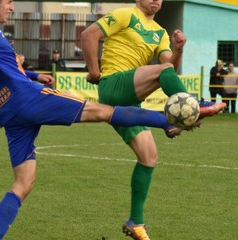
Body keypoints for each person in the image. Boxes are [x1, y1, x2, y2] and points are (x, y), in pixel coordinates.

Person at [0, 0, 197, 239]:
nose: (12, 7)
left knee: (23, 182)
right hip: (29, 100)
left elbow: (5, 69)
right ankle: (169, 121)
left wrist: (35, 75)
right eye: (8, 2)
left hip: (10, 115)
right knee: (103, 111)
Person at [81, 0, 226, 239]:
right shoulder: (126, 15)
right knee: (161, 71)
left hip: (129, 102)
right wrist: (95, 72)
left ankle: (135, 222)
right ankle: (193, 106)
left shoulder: (160, 33)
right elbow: (89, 35)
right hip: (113, 85)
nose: (156, 0)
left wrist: (178, 49)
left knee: (149, 157)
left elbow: (169, 65)